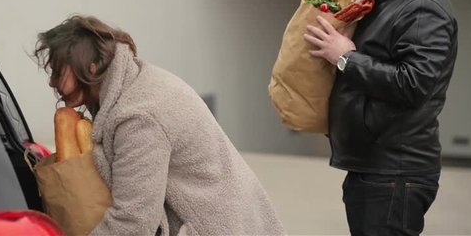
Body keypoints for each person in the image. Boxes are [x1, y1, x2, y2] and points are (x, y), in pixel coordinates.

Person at [34, 15, 285, 236]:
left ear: (90, 67)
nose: (52, 83)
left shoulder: (138, 118)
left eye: (58, 71)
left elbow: (133, 222)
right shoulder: (134, 83)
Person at [304, 0, 458, 235]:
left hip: (395, 174)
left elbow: (413, 84)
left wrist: (344, 56)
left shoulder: (421, 5)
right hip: (376, 169)